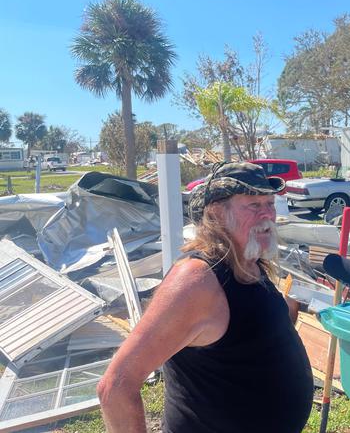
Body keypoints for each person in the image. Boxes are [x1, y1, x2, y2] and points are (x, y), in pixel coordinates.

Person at [97, 162, 314, 433]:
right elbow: (115, 385)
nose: (267, 215)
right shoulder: (196, 280)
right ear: (216, 213)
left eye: (269, 204)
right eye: (254, 205)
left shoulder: (248, 262)